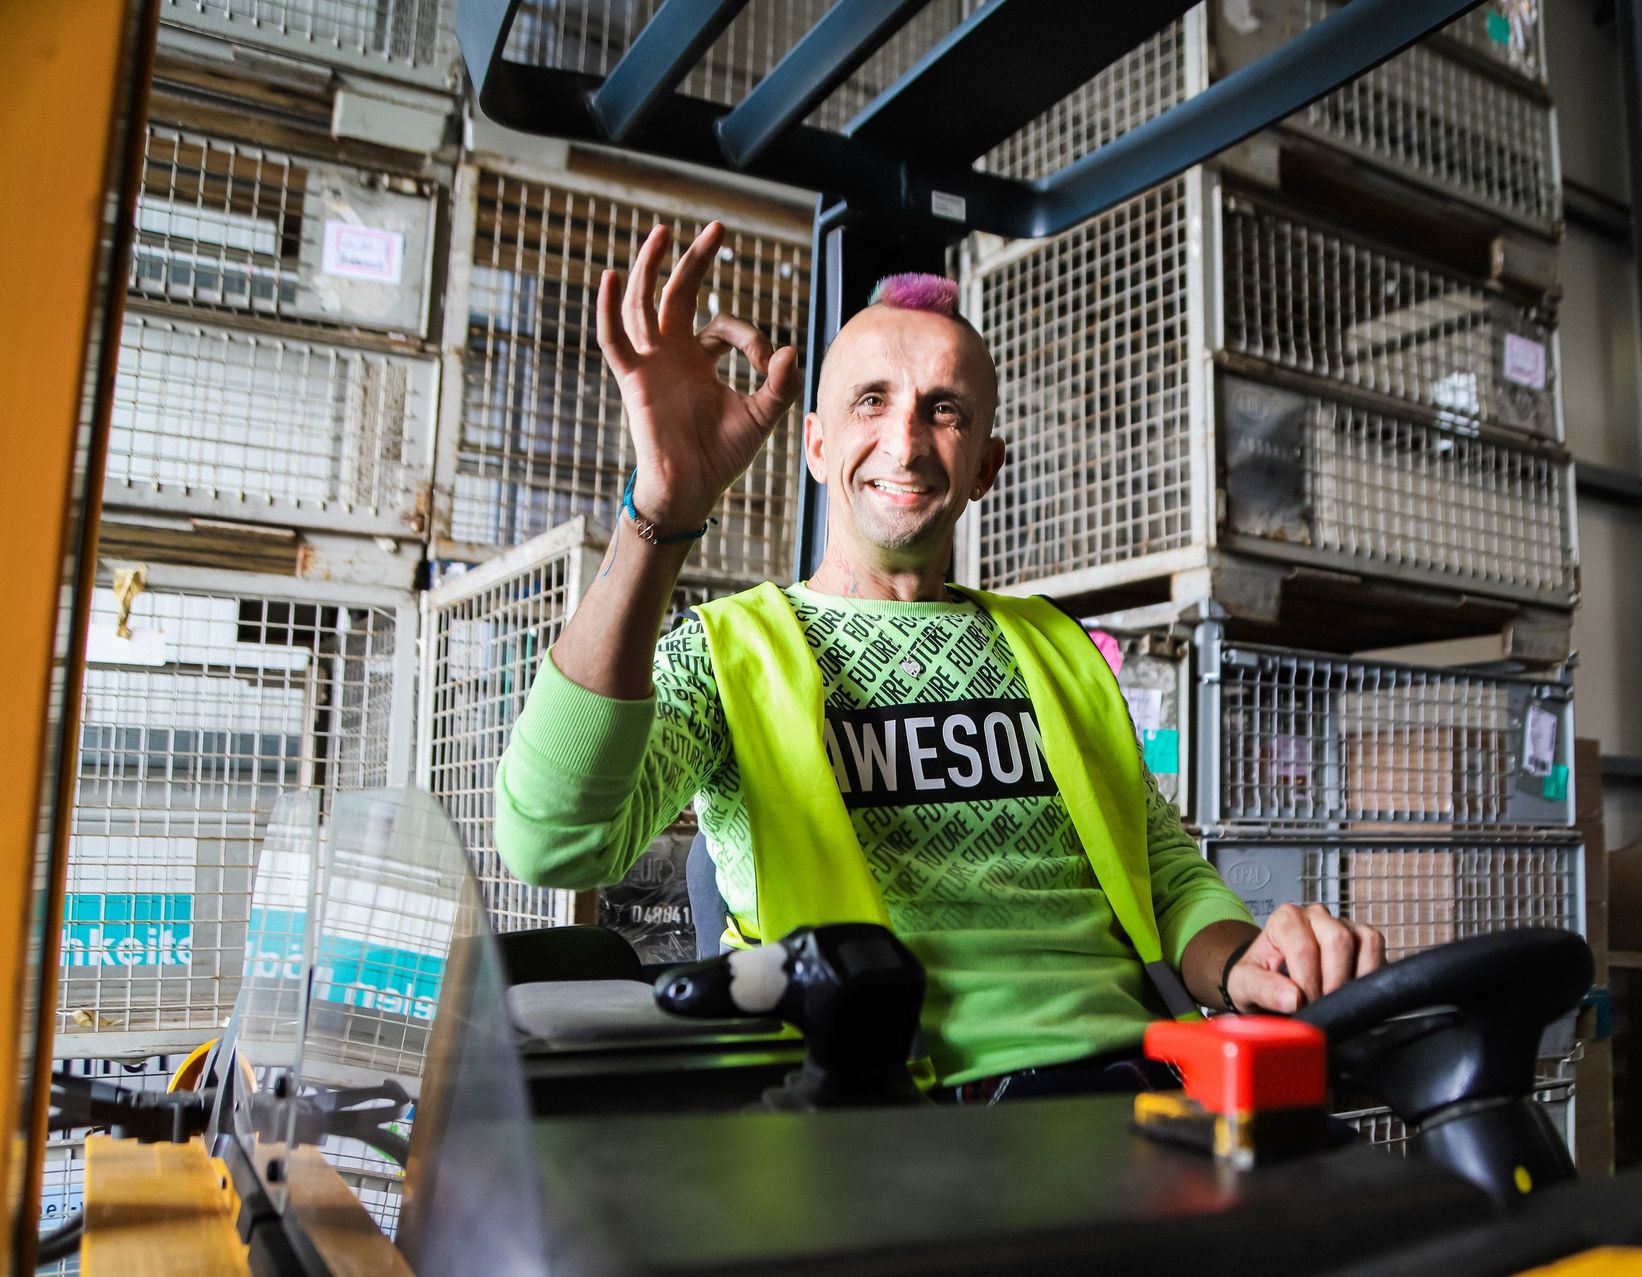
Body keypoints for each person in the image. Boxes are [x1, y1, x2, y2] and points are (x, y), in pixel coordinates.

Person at [494, 221, 1385, 1099]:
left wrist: (1245, 962)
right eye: (871, 401)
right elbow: (553, 838)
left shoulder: (1056, 647)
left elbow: (1165, 876)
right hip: (876, 1113)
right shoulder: (729, 652)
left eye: (944, 410)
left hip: (1132, 1087)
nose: (908, 442)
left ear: (985, 464)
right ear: (814, 443)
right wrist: (662, 507)